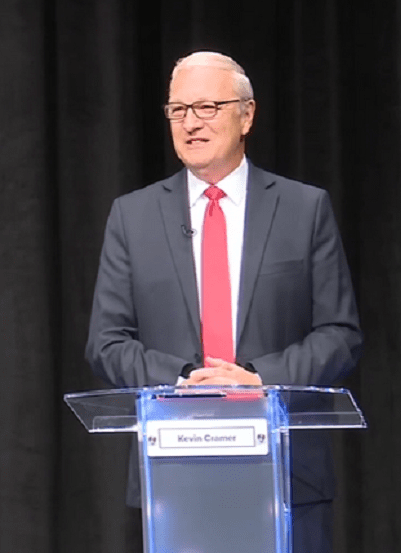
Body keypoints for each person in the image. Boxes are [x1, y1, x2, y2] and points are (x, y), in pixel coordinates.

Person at [85, 51, 362, 553]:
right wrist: (184, 379)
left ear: (247, 114)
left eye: (208, 107)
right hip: (172, 476)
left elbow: (340, 335)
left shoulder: (304, 209)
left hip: (287, 481)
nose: (191, 123)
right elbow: (106, 343)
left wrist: (258, 378)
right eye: (178, 110)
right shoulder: (132, 216)